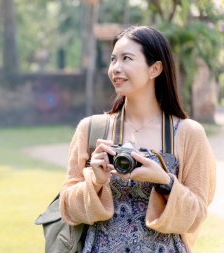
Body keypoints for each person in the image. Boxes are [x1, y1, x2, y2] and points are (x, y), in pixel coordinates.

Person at [59, 25, 216, 252]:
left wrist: (165, 182)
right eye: (113, 59)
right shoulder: (92, 129)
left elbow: (196, 215)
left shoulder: (188, 133)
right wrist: (95, 181)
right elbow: (68, 209)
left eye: (126, 59)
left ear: (155, 69)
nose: (116, 68)